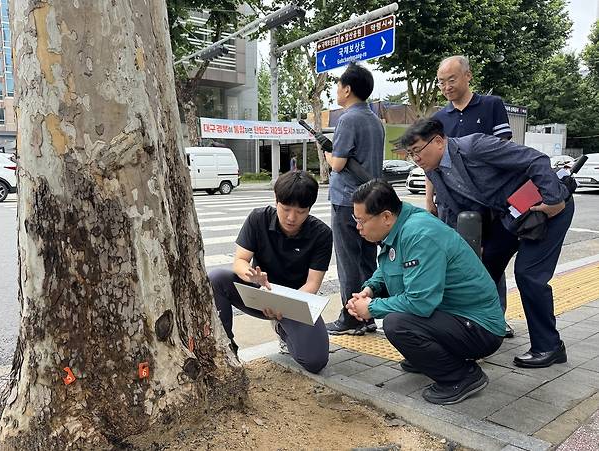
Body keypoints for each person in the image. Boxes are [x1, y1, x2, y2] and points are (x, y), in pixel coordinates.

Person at [398, 118, 574, 369]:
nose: (415, 158)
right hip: (510, 216)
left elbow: (536, 160)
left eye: (417, 150)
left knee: (528, 276)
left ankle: (549, 346)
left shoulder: (475, 146)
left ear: (438, 141)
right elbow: (453, 209)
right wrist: (462, 248)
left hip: (545, 208)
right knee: (476, 273)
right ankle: (465, 340)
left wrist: (553, 200)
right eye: (410, 153)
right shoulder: (433, 170)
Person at [346, 180, 505, 405]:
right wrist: (370, 289)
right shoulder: (402, 226)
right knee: (400, 322)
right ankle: (429, 357)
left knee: (396, 324)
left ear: (386, 217)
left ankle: (462, 377)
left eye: (361, 221)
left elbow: (420, 302)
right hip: (455, 317)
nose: (358, 227)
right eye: (356, 220)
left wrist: (371, 308)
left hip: (480, 328)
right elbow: (390, 268)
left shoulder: (419, 234)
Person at [208, 170, 332, 374]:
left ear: (310, 209)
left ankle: (283, 329)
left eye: (301, 212)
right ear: (276, 201)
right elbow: (239, 261)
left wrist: (284, 305)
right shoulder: (258, 219)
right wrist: (251, 275)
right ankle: (226, 347)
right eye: (286, 209)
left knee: (315, 361)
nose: (292, 217)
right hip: (259, 293)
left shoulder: (322, 234)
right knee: (217, 278)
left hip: (294, 301)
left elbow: (312, 284)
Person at [430, 55, 515, 338]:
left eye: (451, 79)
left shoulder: (491, 106)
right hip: (452, 205)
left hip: (489, 202)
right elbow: (432, 165)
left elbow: (503, 154)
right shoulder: (439, 118)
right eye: (441, 82)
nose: (446, 86)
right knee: (456, 261)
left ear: (468, 76)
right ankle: (462, 317)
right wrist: (430, 201)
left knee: (491, 260)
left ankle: (495, 317)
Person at [324, 62, 385, 336]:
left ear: (347, 89)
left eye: (338, 86)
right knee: (367, 260)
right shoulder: (375, 120)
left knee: (348, 261)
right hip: (371, 201)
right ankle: (368, 314)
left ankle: (350, 317)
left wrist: (326, 153)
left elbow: (338, 164)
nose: (337, 91)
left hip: (347, 200)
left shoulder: (347, 118)